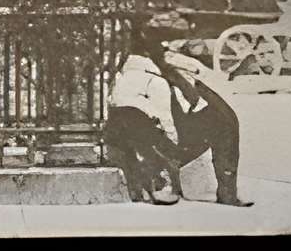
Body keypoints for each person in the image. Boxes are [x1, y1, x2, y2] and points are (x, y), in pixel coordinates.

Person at [103, 14, 252, 207]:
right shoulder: (148, 73)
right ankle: (216, 189)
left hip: (164, 100)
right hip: (157, 120)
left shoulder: (154, 64)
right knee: (223, 122)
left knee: (224, 119)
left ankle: (221, 190)